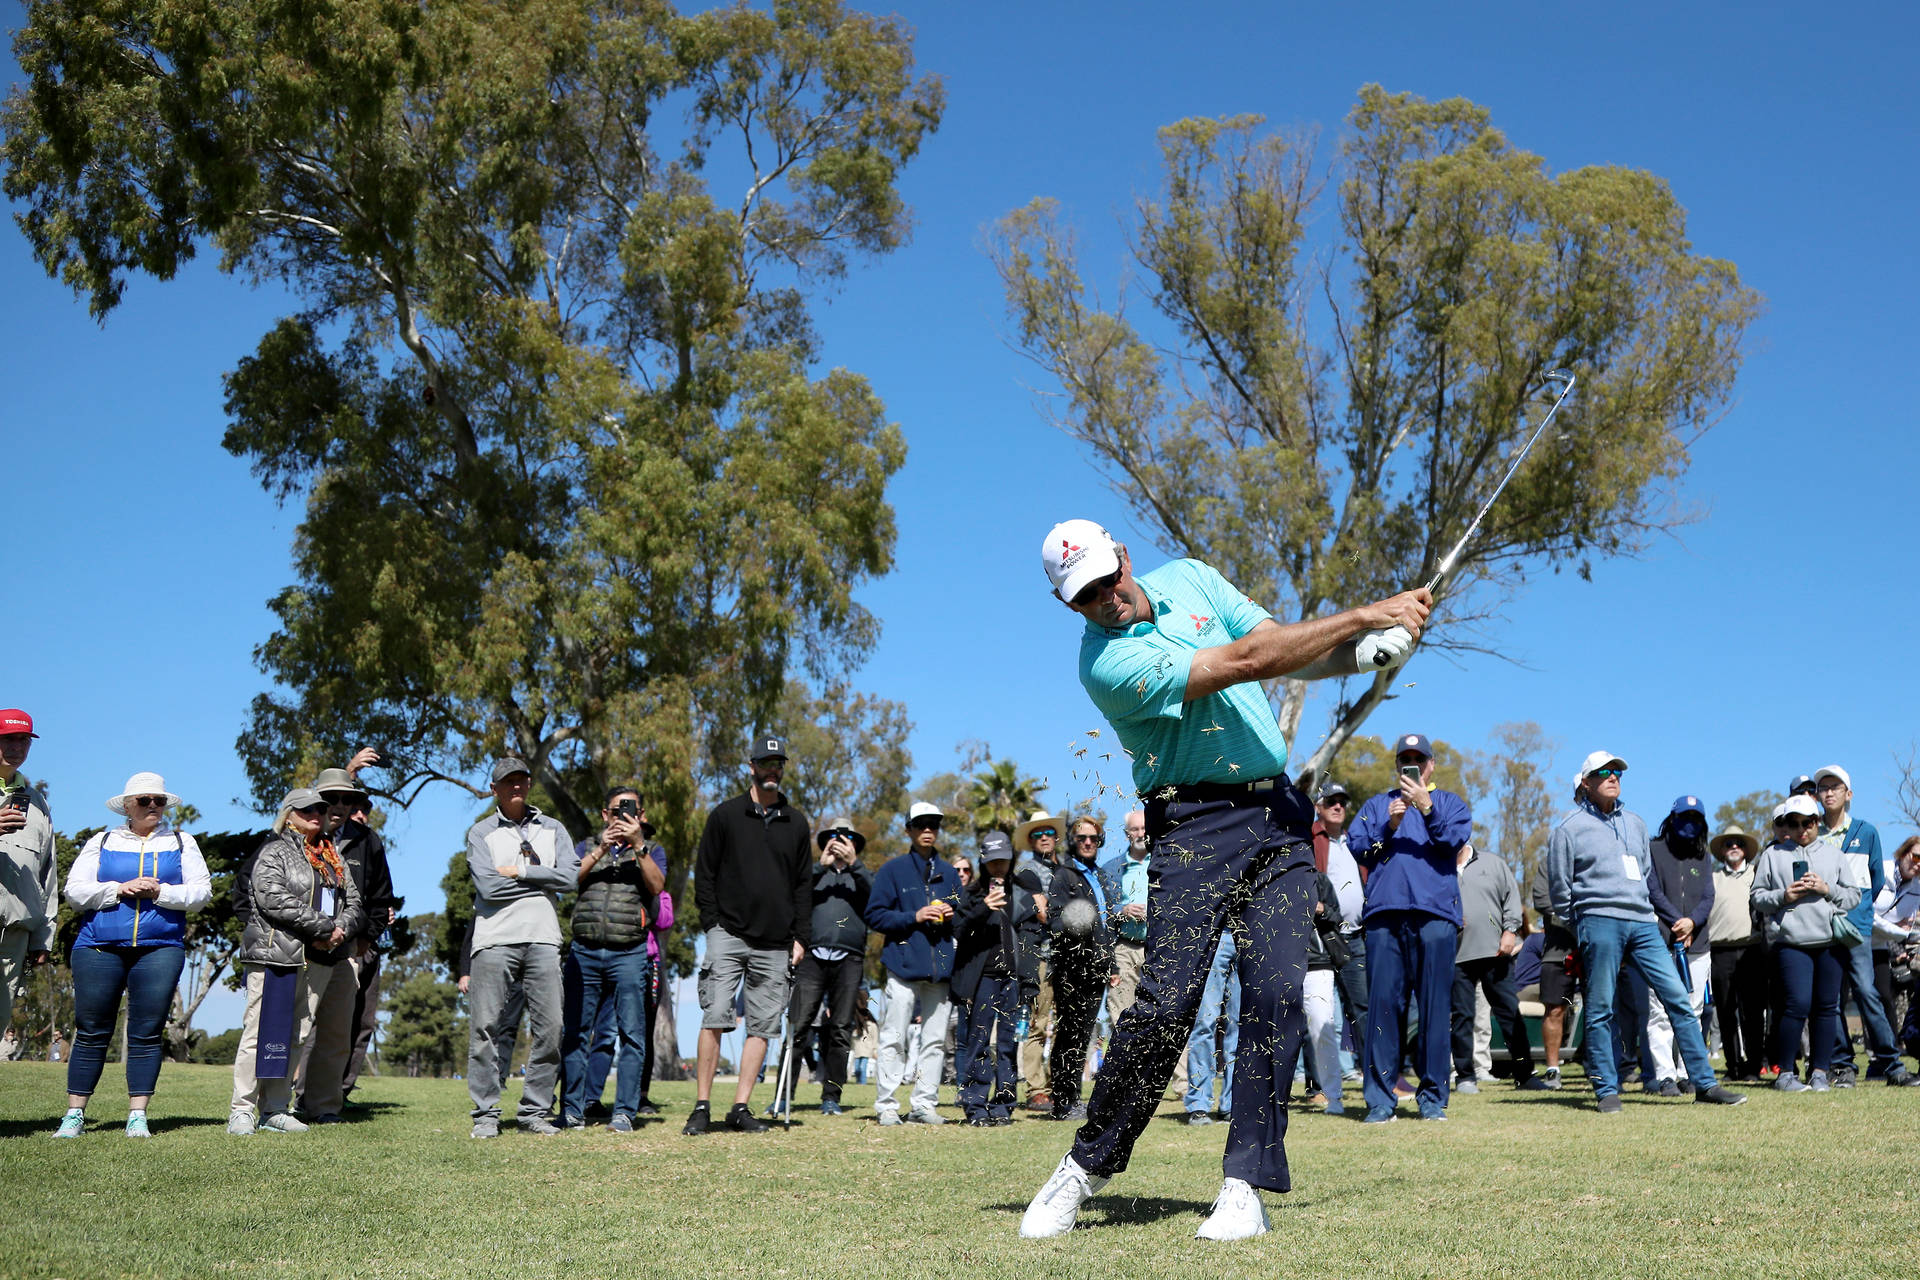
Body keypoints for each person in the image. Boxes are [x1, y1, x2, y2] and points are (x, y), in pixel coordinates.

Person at [1020, 518, 1432, 1242]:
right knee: (1165, 1005)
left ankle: (1245, 1183)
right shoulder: (1105, 667)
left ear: (1124, 553)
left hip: (1277, 817)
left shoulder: (1190, 577)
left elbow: (1285, 650)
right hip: (1192, 826)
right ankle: (1086, 1165)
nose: (1106, 598)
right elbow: (1248, 661)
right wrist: (1369, 613)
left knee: (1277, 993)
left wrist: (1360, 654)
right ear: (1069, 606)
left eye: (1107, 577)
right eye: (1085, 596)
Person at [1546, 751, 1745, 1114]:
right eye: (1603, 772)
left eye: (1617, 771)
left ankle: (1704, 1083)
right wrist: (1583, 923)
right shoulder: (1568, 828)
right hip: (1598, 920)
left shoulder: (1635, 823)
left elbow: (1642, 871)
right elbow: (1559, 889)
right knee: (1601, 1008)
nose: (1613, 776)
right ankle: (1607, 1089)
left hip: (1643, 922)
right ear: (1586, 782)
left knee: (1678, 999)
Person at [55, 773, 211, 1137]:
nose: (153, 807)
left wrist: (160, 893)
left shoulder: (181, 841)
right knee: (92, 1030)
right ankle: (74, 1115)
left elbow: (201, 894)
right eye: (144, 801)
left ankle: (137, 1116)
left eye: (159, 801)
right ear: (127, 806)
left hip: (161, 948)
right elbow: (75, 892)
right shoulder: (102, 840)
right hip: (98, 945)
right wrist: (120, 889)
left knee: (146, 1032)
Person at [687, 736, 812, 1135]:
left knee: (762, 1025)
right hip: (728, 932)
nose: (772, 769)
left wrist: (801, 938)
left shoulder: (796, 823)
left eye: (778, 763)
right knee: (716, 1015)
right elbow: (704, 874)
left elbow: (803, 887)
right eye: (765, 762)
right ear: (752, 766)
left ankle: (740, 1107)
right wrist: (711, 924)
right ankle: (702, 1106)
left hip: (776, 941)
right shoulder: (725, 815)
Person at [1348, 732, 1470, 1122]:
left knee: (1435, 1010)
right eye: (1405, 759)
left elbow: (1453, 840)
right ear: (1397, 765)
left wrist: (1427, 808)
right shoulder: (1376, 805)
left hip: (1436, 917)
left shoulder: (1450, 803)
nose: (1411, 765)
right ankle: (1381, 1102)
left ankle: (1432, 1099)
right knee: (1383, 1008)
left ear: (1431, 765)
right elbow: (1357, 846)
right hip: (1386, 915)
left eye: (1419, 759)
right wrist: (1389, 825)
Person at [230, 788, 363, 1135]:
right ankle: (242, 1109)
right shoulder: (274, 850)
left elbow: (353, 901)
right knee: (259, 1032)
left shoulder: (332, 855)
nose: (316, 815)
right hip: (277, 954)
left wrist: (340, 930)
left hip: (320, 956)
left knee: (297, 1035)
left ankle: (275, 1108)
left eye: (320, 809)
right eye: (307, 810)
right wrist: (323, 926)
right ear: (289, 815)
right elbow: (272, 897)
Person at [465, 757, 578, 1139]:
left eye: (522, 780)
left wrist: (523, 871)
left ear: (529, 785)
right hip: (494, 940)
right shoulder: (480, 833)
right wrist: (545, 881)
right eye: (507, 782)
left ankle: (534, 1112)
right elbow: (488, 888)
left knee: (551, 1027)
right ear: (494, 789)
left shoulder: (553, 828)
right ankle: (486, 1115)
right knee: (486, 1028)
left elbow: (571, 876)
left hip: (544, 938)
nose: (516, 786)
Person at [292, 766, 396, 1123]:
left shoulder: (368, 841)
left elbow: (381, 899)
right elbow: (254, 889)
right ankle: (277, 1103)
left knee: (346, 1029)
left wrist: (364, 940)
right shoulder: (293, 839)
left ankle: (326, 1102)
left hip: (350, 950)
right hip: (296, 949)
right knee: (298, 1028)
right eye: (330, 799)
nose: (338, 806)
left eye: (346, 799)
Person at [560, 786, 665, 1131]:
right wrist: (602, 846)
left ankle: (624, 1112)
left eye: (630, 810)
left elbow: (656, 886)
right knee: (576, 1032)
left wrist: (638, 844)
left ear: (641, 815)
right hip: (584, 951)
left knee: (632, 1036)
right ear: (605, 815)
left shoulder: (651, 850)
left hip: (630, 953)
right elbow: (568, 879)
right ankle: (572, 1110)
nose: (623, 816)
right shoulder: (585, 846)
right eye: (617, 810)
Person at [1811, 765, 1914, 1086]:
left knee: (1868, 994)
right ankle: (1842, 1066)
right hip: (1821, 929)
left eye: (1835, 787)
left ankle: (1891, 1064)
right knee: (1831, 1000)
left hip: (1857, 930)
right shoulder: (1812, 834)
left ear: (1848, 794)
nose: (1828, 792)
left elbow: (1873, 879)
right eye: (1823, 788)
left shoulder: (1867, 833)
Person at [1752, 795, 1862, 1091]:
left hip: (1830, 942)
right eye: (1794, 823)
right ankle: (1786, 1073)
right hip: (1791, 942)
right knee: (1796, 1005)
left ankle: (1820, 1073)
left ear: (1817, 822)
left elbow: (1854, 896)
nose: (1802, 829)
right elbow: (1757, 898)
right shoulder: (1773, 856)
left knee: (1827, 1007)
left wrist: (1827, 888)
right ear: (1785, 824)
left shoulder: (1834, 855)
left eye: (1808, 822)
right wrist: (1783, 897)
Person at [865, 800, 961, 1125]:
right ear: (908, 830)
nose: (928, 830)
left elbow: (962, 915)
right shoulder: (892, 870)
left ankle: (924, 1104)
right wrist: (914, 916)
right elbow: (874, 915)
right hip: (902, 967)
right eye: (921, 825)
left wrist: (952, 913)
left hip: (940, 969)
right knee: (894, 1036)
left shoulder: (949, 873)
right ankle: (887, 1106)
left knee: (935, 1040)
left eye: (933, 824)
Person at [771, 816, 871, 1117]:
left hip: (849, 959)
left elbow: (879, 898)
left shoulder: (863, 876)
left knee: (840, 1030)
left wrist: (855, 865)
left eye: (847, 838)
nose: (839, 843)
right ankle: (782, 1097)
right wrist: (820, 865)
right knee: (799, 1026)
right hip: (813, 958)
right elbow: (789, 895)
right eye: (834, 837)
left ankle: (831, 1097)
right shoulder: (814, 875)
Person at [953, 831, 1043, 1125]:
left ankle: (1003, 1107)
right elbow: (958, 931)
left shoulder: (1021, 895)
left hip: (1012, 981)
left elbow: (1031, 941)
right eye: (993, 862)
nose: (998, 867)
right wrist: (982, 909)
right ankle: (976, 1107)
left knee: (1008, 1045)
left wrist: (1030, 982)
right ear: (983, 862)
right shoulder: (972, 894)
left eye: (1003, 861)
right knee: (977, 1043)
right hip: (981, 981)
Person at [1043, 815, 1123, 1121]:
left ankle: (1074, 1096)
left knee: (1085, 1035)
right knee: (1069, 1034)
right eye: (1081, 838)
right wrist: (1077, 918)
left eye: (1093, 838)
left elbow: (1107, 925)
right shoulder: (1064, 875)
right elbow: (1055, 919)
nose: (1087, 842)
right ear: (1072, 842)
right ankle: (1064, 1101)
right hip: (1071, 967)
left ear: (1099, 841)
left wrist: (1112, 963)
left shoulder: (1100, 877)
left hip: (1097, 968)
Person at [1451, 842, 1544, 1094]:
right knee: (1461, 1017)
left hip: (1495, 951)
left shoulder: (1492, 863)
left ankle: (1525, 1075)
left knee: (1509, 1013)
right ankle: (1465, 1077)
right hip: (1456, 956)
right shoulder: (1437, 866)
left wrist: (1510, 931)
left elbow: (1511, 898)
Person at [1642, 796, 1716, 1094]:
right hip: (1660, 942)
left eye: (1696, 818)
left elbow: (1709, 897)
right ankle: (1665, 1075)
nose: (1690, 823)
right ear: (1672, 818)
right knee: (1659, 1011)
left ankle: (1689, 1073)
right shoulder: (1654, 850)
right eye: (1685, 817)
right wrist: (1678, 921)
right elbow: (1652, 889)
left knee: (1694, 1010)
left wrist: (1693, 923)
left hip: (1697, 945)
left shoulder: (1704, 855)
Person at [0, 709, 56, 1040]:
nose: (17, 746)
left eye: (23, 739)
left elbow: (48, 874)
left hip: (16, 936)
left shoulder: (37, 803)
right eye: (8, 738)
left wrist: (44, 934)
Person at [1312, 781, 1368, 1087]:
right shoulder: (1311, 839)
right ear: (1318, 807)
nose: (1338, 807)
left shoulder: (1354, 843)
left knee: (1362, 1009)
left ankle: (1374, 1074)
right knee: (1321, 1016)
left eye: (1342, 802)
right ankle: (1318, 1085)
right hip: (1321, 937)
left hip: (1355, 937)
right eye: (1331, 801)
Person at [1707, 823, 1769, 1081]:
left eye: (1739, 843)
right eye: (1729, 843)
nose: (1734, 847)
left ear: (1746, 850)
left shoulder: (1757, 875)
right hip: (1720, 951)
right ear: (1722, 850)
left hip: (1751, 950)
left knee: (1753, 1013)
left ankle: (1754, 1066)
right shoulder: (1712, 879)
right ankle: (1732, 1067)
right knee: (1725, 1011)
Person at [1012, 809, 1060, 1112]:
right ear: (1030, 840)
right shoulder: (1026, 871)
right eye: (1038, 834)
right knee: (1038, 1025)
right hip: (1039, 956)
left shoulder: (1067, 869)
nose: (1044, 837)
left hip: (1065, 957)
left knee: (1066, 1027)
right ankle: (1036, 1090)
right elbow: (1043, 913)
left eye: (1049, 833)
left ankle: (1060, 1086)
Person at [1302, 870, 1349, 1114]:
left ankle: (1333, 1097)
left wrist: (1321, 909)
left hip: (1317, 963)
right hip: (1277, 964)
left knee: (1323, 1028)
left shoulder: (1318, 879)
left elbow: (1338, 918)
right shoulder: (1269, 876)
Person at [1103, 810, 1151, 1025]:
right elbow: (1100, 909)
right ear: (1126, 834)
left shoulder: (1165, 862)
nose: (1140, 833)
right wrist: (1121, 910)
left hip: (1158, 948)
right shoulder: (1111, 869)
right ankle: (1120, 1058)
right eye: (1135, 829)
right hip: (1124, 948)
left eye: (1143, 828)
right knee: (1121, 1009)